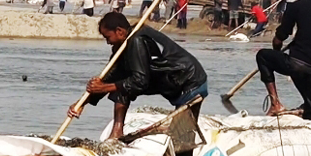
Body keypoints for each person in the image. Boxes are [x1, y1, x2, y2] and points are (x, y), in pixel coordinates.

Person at [67, 12, 208, 140]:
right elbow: (111, 76)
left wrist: (104, 88)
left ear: (119, 31)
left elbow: (140, 81)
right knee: (121, 84)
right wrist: (82, 103)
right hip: (172, 82)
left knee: (182, 138)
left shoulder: (137, 41)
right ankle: (117, 131)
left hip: (189, 82)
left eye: (108, 37)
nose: (108, 42)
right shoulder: (122, 45)